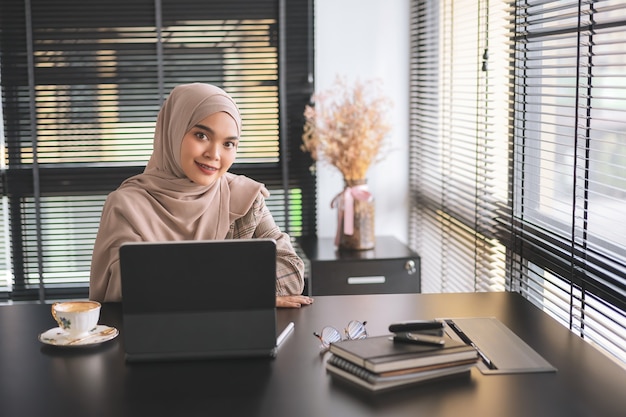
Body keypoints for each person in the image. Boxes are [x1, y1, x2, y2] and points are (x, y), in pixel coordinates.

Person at [89, 83, 313, 308]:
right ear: (174, 130)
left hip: (233, 335)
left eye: (228, 144)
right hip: (153, 338)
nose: (214, 154)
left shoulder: (245, 197)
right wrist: (244, 292)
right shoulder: (126, 206)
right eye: (201, 135)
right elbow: (133, 292)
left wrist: (197, 287)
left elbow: (291, 273)